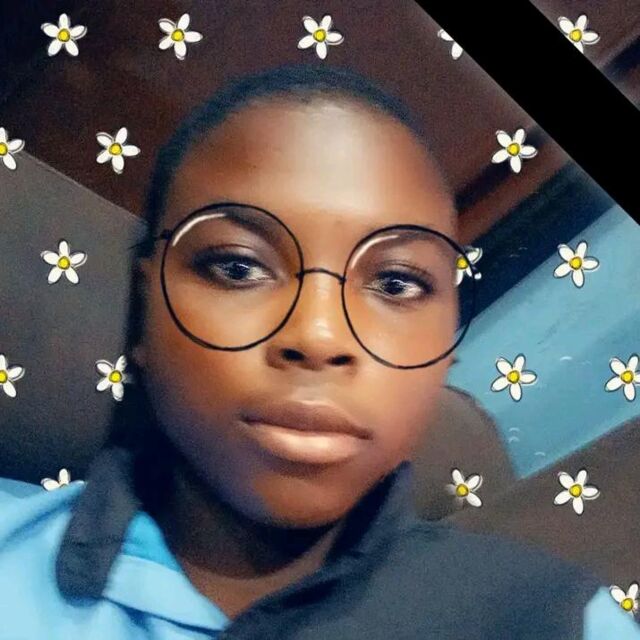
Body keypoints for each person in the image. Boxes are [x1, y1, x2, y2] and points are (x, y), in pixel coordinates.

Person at [0, 62, 638, 639]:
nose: (319, 337)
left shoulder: (555, 620)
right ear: (145, 314)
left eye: (396, 283)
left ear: (446, 352)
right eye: (238, 267)